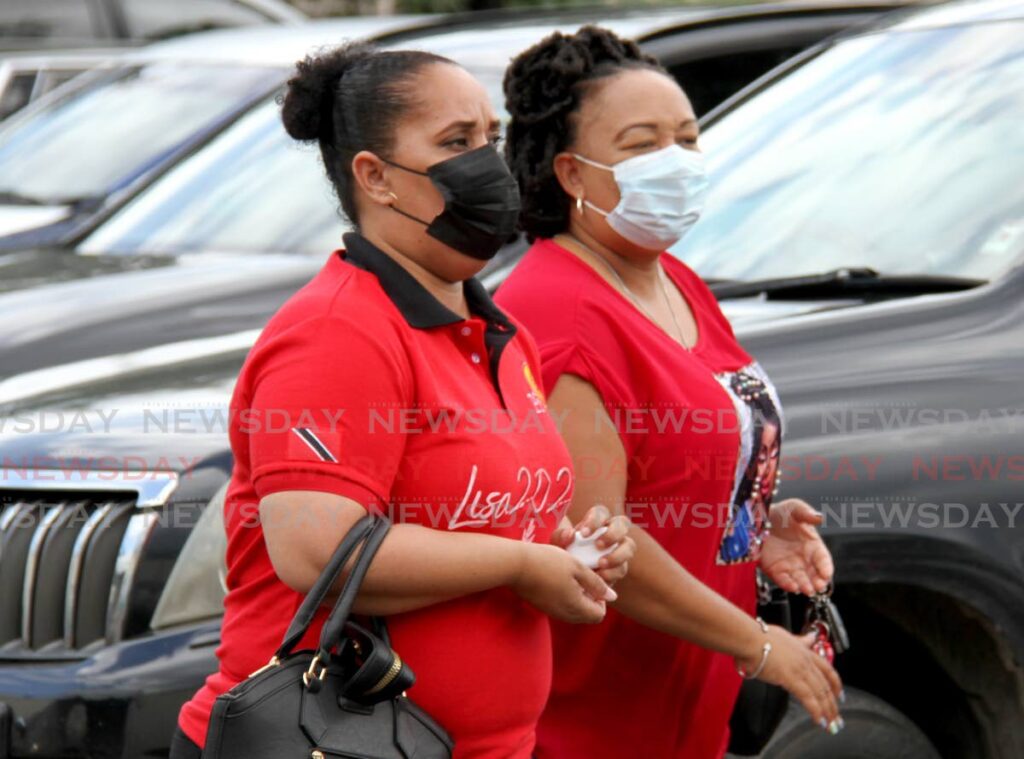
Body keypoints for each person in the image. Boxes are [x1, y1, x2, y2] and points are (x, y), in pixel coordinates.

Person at [170, 41, 635, 759]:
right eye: (456, 142)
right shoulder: (338, 331)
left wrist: (567, 553)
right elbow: (315, 548)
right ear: (376, 177)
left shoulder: (500, 335)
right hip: (331, 742)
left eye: (491, 137)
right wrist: (519, 565)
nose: (489, 162)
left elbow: (482, 521)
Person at [495, 26, 844, 759]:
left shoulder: (670, 277)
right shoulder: (558, 310)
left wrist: (755, 521)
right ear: (572, 172)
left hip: (688, 708)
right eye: (642, 143)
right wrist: (757, 644)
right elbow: (600, 539)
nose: (676, 162)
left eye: (687, 138)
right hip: (589, 720)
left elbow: (683, 463)